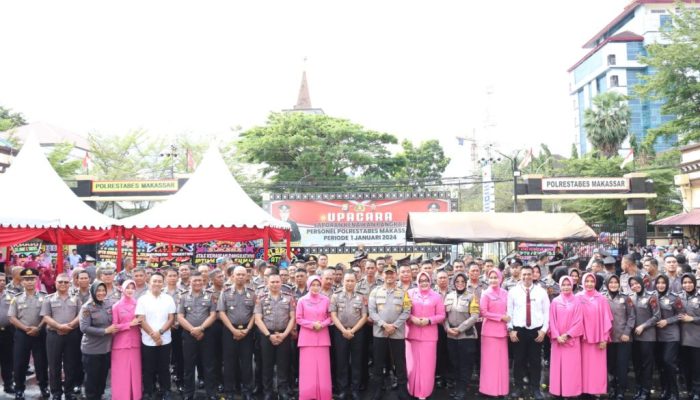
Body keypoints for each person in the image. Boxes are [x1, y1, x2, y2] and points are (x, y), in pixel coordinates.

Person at [367, 265, 411, 400]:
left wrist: (395, 326)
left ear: (396, 275)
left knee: (400, 363)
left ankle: (403, 390)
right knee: (378, 363)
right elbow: (372, 312)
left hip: (397, 333)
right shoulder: (375, 292)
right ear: (383, 275)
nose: (389, 276)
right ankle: (377, 391)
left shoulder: (403, 293)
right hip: (380, 332)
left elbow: (407, 311)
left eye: (392, 274)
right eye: (387, 274)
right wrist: (383, 325)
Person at [507, 264, 549, 399]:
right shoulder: (513, 292)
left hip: (536, 331)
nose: (526, 277)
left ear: (534, 275)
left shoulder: (541, 291)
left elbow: (547, 312)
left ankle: (535, 388)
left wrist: (543, 331)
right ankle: (518, 387)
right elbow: (509, 312)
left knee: (536, 361)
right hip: (518, 331)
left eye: (529, 274)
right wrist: (511, 330)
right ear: (520, 275)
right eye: (524, 274)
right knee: (519, 360)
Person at [254, 269, 296, 400]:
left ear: (281, 282)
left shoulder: (289, 298)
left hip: (284, 334)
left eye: (277, 282)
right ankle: (268, 391)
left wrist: (284, 335)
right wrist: (268, 335)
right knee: (267, 364)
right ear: (267, 283)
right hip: (267, 336)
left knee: (283, 364)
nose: (275, 284)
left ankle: (282, 390)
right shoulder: (260, 298)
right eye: (272, 282)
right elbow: (257, 319)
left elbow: (292, 318)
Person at [8, 268, 49, 399]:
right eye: (26, 279)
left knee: (41, 363)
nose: (29, 282)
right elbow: (12, 317)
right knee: (19, 363)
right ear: (22, 282)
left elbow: (47, 315)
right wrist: (26, 328)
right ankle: (19, 389)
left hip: (40, 333)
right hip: (22, 334)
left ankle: (44, 387)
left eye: (32, 279)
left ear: (36, 280)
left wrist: (38, 327)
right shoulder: (16, 298)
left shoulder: (44, 297)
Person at [40, 272, 81, 400]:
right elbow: (46, 316)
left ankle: (69, 392)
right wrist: (59, 327)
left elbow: (81, 315)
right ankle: (56, 393)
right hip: (54, 335)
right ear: (55, 283)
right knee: (54, 365)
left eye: (66, 282)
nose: (63, 284)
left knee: (70, 364)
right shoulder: (49, 298)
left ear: (69, 284)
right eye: (60, 282)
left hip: (72, 334)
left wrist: (69, 326)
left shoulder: (76, 298)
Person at [136, 272, 176, 400]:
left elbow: (171, 318)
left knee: (164, 367)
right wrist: (154, 335)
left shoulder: (168, 299)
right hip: (148, 340)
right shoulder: (142, 299)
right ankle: (148, 390)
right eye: (155, 281)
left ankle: (166, 390)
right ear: (149, 283)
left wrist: (160, 333)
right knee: (148, 367)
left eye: (160, 281)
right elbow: (141, 319)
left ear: (163, 283)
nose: (157, 283)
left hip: (165, 339)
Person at [218, 266, 256, 400]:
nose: (240, 277)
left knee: (247, 362)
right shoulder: (225, 292)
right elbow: (221, 312)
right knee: (229, 362)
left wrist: (247, 329)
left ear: (247, 276)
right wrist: (233, 330)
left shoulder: (252, 293)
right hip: (229, 330)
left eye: (243, 274)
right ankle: (230, 391)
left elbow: (255, 313)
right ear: (233, 276)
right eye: (238, 274)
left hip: (247, 330)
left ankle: (247, 390)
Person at [177, 271, 218, 400]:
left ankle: (211, 392)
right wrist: (192, 330)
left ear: (204, 281)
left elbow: (213, 315)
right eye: (195, 280)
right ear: (190, 281)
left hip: (207, 334)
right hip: (189, 335)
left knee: (209, 365)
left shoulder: (211, 296)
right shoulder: (183, 296)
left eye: (200, 280)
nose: (198, 283)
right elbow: (180, 316)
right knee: (189, 365)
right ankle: (188, 393)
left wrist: (201, 328)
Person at [405, 271, 445, 400]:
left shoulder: (437, 296)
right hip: (412, 335)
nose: (424, 283)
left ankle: (425, 392)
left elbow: (441, 315)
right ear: (417, 281)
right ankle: (411, 390)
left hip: (429, 336)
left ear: (430, 281)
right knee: (412, 365)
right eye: (421, 280)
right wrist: (412, 318)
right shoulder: (410, 294)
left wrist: (429, 320)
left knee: (427, 366)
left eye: (426, 280)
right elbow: (404, 311)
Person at [330, 271, 368, 400]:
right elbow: (333, 315)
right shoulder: (335, 296)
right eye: (347, 281)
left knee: (357, 361)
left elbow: (364, 316)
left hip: (357, 332)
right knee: (341, 361)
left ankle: (355, 389)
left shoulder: (361, 297)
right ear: (343, 281)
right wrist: (344, 330)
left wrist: (353, 331)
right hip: (340, 332)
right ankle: (343, 389)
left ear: (355, 282)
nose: (350, 283)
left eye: (352, 281)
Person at [296, 275, 332, 400]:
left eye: (318, 285)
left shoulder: (326, 300)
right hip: (307, 339)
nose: (315, 287)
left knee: (323, 369)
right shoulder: (302, 300)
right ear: (308, 286)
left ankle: (325, 394)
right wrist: (312, 325)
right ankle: (307, 395)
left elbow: (331, 317)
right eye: (313, 285)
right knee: (308, 370)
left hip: (322, 337)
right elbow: (298, 318)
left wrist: (322, 324)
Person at [444, 272, 479, 400]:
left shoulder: (471, 296)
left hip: (466, 336)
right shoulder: (448, 296)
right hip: (451, 335)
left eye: (462, 281)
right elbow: (444, 316)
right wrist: (447, 328)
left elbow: (475, 316)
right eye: (457, 281)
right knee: (455, 363)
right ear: (453, 283)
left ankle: (462, 389)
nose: (460, 284)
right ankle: (457, 387)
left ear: (466, 283)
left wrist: (459, 329)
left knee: (465, 364)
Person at [577, 272, 612, 397]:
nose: (589, 284)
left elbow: (607, 319)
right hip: (581, 340)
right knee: (582, 367)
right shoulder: (577, 297)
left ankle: (595, 391)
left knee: (596, 368)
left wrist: (604, 338)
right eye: (587, 281)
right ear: (583, 282)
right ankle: (582, 390)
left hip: (598, 340)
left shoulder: (601, 298)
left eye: (592, 281)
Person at [79, 281, 116, 400]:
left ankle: (99, 395)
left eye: (103, 291)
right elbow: (84, 328)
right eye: (98, 291)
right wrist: (105, 331)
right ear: (93, 292)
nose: (101, 293)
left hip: (105, 348)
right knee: (92, 378)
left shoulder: (109, 304)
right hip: (92, 349)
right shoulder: (87, 307)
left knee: (102, 377)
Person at [549, 275, 584, 398]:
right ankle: (557, 390)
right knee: (557, 367)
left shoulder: (577, 301)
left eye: (568, 284)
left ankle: (570, 391)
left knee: (571, 368)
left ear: (572, 285)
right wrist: (557, 336)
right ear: (559, 285)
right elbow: (551, 321)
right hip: (557, 341)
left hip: (571, 341)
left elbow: (579, 321)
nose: (566, 287)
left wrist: (568, 335)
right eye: (563, 284)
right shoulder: (555, 301)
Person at [629, 275, 660, 400]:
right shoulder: (631, 298)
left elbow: (657, 316)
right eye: (632, 284)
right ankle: (638, 388)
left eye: (637, 283)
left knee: (647, 365)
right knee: (637, 364)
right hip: (634, 338)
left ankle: (646, 391)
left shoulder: (651, 297)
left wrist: (643, 326)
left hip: (647, 336)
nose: (635, 286)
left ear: (642, 283)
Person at [479, 268, 509, 397]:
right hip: (489, 332)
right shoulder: (485, 294)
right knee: (489, 363)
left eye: (495, 277)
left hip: (502, 332)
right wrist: (500, 317)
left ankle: (501, 389)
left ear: (500, 278)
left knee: (501, 362)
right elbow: (483, 312)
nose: (493, 280)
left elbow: (510, 309)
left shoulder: (505, 293)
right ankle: (488, 389)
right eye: (491, 277)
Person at [605, 275, 636, 400]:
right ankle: (612, 387)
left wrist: (627, 332)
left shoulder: (626, 298)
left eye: (615, 282)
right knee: (611, 365)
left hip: (623, 338)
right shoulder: (602, 298)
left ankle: (621, 390)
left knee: (622, 365)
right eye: (611, 282)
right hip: (608, 339)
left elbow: (632, 316)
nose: (613, 284)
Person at [111, 280, 142, 400]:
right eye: (127, 287)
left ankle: (136, 396)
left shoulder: (138, 304)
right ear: (122, 289)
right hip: (120, 344)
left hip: (135, 343)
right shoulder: (116, 306)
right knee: (121, 373)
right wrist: (130, 324)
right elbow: (114, 327)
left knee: (135, 372)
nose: (130, 290)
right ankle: (121, 397)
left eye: (132, 288)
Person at [654, 275, 682, 400]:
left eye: (663, 283)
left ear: (667, 284)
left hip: (671, 335)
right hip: (657, 336)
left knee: (668, 362)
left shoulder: (674, 298)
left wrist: (667, 321)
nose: (660, 285)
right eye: (658, 283)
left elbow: (681, 314)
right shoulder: (652, 297)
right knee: (661, 365)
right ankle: (666, 390)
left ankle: (675, 392)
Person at [679, 273, 700, 400]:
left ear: (694, 283)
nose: (687, 285)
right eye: (685, 282)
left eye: (689, 282)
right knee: (685, 366)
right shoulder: (679, 298)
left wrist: (692, 318)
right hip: (682, 338)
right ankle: (688, 389)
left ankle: (697, 391)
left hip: (696, 339)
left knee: (696, 366)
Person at [0, 272, 15, 395]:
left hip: (7, 332)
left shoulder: (12, 296)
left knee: (7, 359)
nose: (2, 283)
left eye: (3, 281)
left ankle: (8, 383)